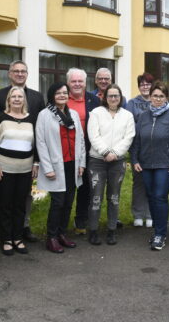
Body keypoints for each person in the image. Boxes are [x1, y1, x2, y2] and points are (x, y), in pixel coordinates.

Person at [0, 60, 45, 243]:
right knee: (7, 199)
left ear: (27, 74)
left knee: (24, 197)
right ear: (9, 73)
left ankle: (23, 228)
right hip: (5, 159)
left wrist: (37, 161)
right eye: (16, 71)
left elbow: (40, 130)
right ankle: (7, 236)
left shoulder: (37, 98)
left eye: (23, 71)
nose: (20, 74)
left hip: (27, 158)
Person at [131, 82, 169, 250]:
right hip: (146, 163)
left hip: (166, 164)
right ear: (150, 97)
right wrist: (134, 160)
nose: (158, 99)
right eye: (155, 95)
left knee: (160, 196)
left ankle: (160, 234)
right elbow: (137, 140)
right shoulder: (143, 116)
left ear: (166, 97)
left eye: (161, 96)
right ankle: (157, 231)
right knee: (151, 196)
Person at [0, 86, 39, 256]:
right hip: (4, 169)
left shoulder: (31, 119)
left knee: (20, 205)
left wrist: (36, 164)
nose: (17, 99)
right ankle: (6, 239)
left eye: (20, 96)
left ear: (24, 100)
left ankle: (17, 238)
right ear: (8, 99)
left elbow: (36, 144)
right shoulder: (1, 118)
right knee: (6, 205)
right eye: (13, 96)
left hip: (25, 169)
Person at [36, 82, 86, 253]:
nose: (62, 96)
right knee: (58, 202)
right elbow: (40, 142)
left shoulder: (72, 114)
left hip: (73, 164)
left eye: (65, 93)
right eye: (58, 93)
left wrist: (82, 164)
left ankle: (62, 234)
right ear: (52, 95)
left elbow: (80, 140)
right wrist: (47, 167)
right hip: (56, 165)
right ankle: (51, 237)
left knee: (69, 202)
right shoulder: (44, 115)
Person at [86, 84, 135, 245]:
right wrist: (106, 152)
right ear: (104, 97)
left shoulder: (127, 115)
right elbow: (93, 135)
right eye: (110, 96)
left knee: (114, 197)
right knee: (96, 197)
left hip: (117, 162)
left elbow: (128, 137)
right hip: (97, 161)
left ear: (120, 98)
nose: (113, 98)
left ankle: (111, 230)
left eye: (116, 96)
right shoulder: (96, 113)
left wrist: (115, 153)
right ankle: (93, 230)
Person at [65, 68, 100, 235]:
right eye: (74, 81)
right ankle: (61, 223)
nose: (77, 84)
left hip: (88, 150)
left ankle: (81, 221)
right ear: (68, 83)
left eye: (80, 81)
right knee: (66, 188)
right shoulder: (61, 98)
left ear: (86, 83)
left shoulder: (94, 100)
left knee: (86, 187)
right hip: (67, 151)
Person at [125, 72, 155, 227]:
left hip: (155, 148)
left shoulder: (158, 100)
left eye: (148, 84)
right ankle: (138, 214)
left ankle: (150, 214)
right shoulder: (132, 103)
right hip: (138, 147)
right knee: (138, 183)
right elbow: (129, 125)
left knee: (153, 182)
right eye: (142, 84)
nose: (145, 86)